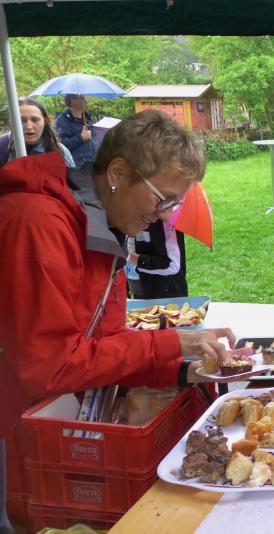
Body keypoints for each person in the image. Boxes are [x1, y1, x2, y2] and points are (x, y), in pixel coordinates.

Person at [0, 110, 235, 532]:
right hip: (14, 432)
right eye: (162, 198)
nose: (165, 214)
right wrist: (173, 343)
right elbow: (48, 366)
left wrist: (182, 371)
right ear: (118, 173)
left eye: (174, 203)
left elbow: (105, 344)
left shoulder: (105, 226)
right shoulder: (39, 224)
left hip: (42, 422)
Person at [0, 97, 74, 168]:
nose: (29, 126)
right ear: (12, 122)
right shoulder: (2, 147)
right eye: (22, 120)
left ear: (45, 121)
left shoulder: (60, 151)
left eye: (35, 120)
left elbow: (72, 176)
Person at [128, 217, 188, 299]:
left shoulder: (165, 219)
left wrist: (131, 257)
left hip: (167, 291)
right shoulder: (136, 217)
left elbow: (172, 265)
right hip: (142, 282)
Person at [54, 94, 96, 167]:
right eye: (82, 98)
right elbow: (60, 145)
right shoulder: (62, 120)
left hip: (91, 162)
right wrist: (81, 138)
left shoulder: (86, 117)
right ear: (72, 100)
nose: (85, 100)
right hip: (75, 166)